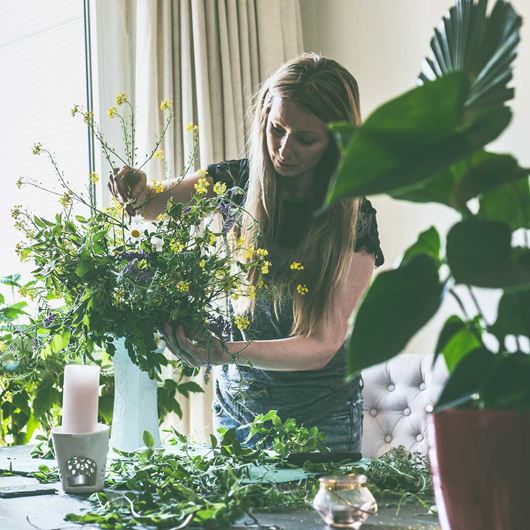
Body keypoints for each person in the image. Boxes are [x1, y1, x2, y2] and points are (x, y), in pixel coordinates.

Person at [110, 52, 384, 452]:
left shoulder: (354, 217)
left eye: (306, 139)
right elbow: (149, 205)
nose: (285, 149)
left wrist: (226, 352)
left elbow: (321, 346)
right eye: (277, 129)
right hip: (234, 412)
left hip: (320, 421)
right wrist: (134, 187)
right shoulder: (234, 181)